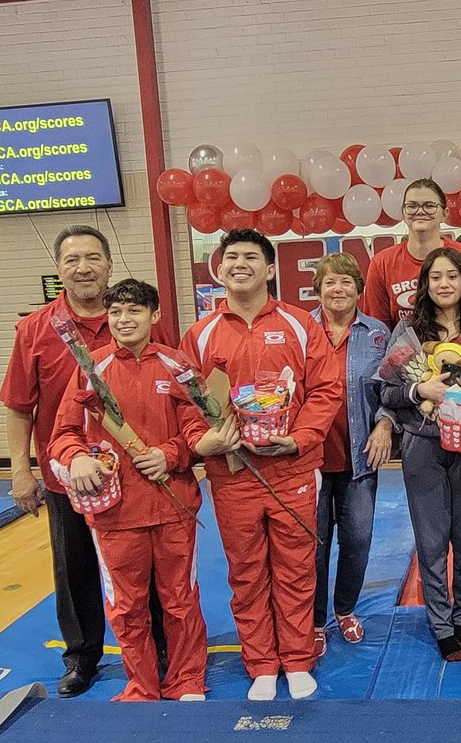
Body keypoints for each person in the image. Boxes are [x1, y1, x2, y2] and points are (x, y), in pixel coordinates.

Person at [0, 224, 166, 697]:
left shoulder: (136, 317)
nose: (83, 268)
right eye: (72, 260)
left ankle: (159, 646)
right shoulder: (36, 329)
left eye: (93, 258)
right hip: (68, 477)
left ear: (109, 265)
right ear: (59, 269)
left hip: (136, 476)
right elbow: (18, 405)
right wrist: (21, 471)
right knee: (74, 569)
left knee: (147, 568)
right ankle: (82, 656)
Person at [180, 229, 343, 700]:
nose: (240, 264)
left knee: (296, 569)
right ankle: (262, 664)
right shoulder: (201, 334)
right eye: (231, 257)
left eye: (251, 257)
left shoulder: (299, 324)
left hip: (292, 470)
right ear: (219, 269)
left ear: (270, 269)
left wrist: (298, 439)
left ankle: (297, 659)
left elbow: (327, 389)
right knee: (247, 573)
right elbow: (185, 402)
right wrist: (203, 440)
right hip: (233, 476)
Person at [49, 280, 221, 702]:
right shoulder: (91, 368)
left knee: (179, 600)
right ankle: (141, 685)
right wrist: (77, 458)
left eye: (134, 311)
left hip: (172, 508)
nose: (124, 320)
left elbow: (199, 432)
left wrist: (170, 454)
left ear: (154, 315)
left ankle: (186, 679)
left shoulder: (177, 365)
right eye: (116, 313)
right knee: (126, 606)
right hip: (116, 514)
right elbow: (63, 434)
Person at [379, 247, 461, 661]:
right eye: (436, 277)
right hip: (422, 444)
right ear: (424, 285)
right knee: (431, 539)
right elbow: (387, 391)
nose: (444, 284)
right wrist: (418, 389)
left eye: (452, 276)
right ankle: (441, 622)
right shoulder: (408, 331)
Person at [310, 253, 393, 656]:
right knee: (313, 546)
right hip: (308, 460)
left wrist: (384, 423)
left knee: (358, 540)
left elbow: (391, 388)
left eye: (346, 282)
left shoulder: (378, 333)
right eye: (330, 282)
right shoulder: (299, 329)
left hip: (359, 457)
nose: (338, 289)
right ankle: (313, 621)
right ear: (318, 290)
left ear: (359, 289)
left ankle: (344, 610)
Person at [361, 178, 461, 328]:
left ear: (445, 214)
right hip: (398, 342)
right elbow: (378, 329)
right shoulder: (382, 263)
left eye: (429, 206)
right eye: (412, 206)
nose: (420, 211)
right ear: (403, 213)